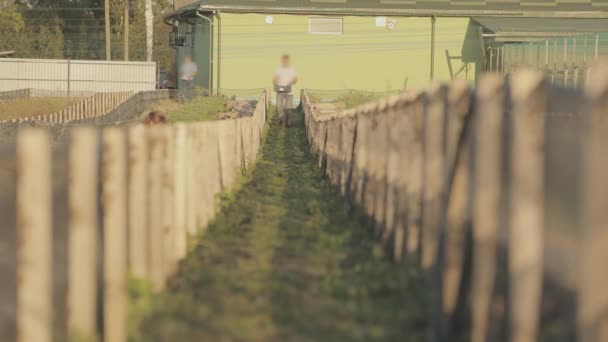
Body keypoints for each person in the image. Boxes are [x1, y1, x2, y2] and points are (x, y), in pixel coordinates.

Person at [273, 54, 298, 127]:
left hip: (289, 91)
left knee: (288, 108)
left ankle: (288, 122)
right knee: (279, 106)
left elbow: (296, 79)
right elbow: (275, 78)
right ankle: (281, 119)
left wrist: (291, 82)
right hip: (280, 91)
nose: (285, 62)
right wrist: (275, 84)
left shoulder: (292, 69)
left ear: (289, 61)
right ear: (282, 61)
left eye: (286, 60)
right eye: (284, 60)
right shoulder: (278, 69)